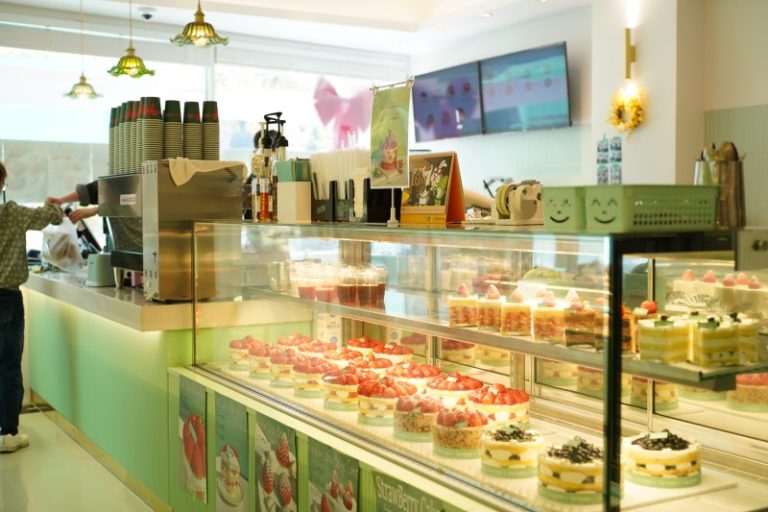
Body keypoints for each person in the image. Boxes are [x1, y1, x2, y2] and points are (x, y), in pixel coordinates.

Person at [0, 162, 64, 453]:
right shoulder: (11, 212)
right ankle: (8, 432)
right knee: (8, 366)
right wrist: (54, 206)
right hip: (7, 298)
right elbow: (49, 216)